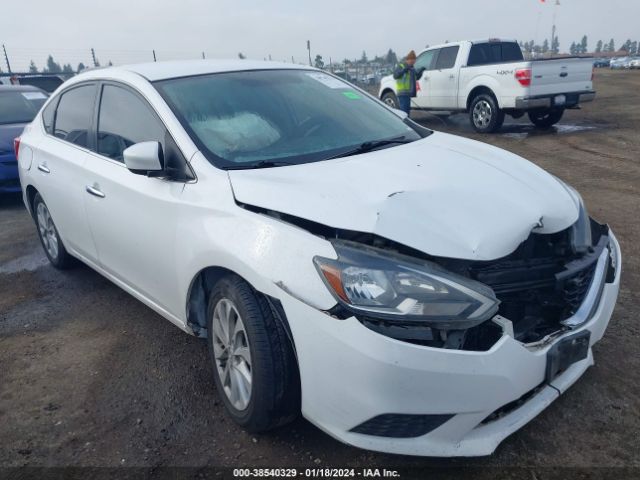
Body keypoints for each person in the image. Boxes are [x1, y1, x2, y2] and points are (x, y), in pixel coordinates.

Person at [393, 50, 425, 115]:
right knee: (404, 112)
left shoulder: (412, 68)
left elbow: (416, 78)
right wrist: (404, 70)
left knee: (407, 112)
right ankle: (403, 124)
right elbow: (395, 76)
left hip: (408, 93)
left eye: (414, 61)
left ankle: (406, 123)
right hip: (402, 93)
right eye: (412, 61)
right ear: (408, 59)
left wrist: (421, 72)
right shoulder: (401, 66)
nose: (413, 63)